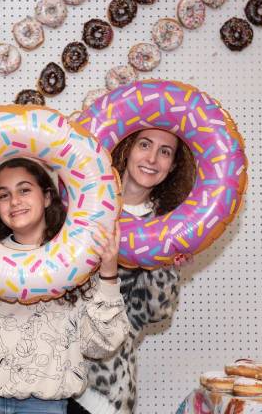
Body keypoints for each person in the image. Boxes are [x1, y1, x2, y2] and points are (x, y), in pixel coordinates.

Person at [0, 157, 130, 414]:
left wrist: (108, 272)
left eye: (24, 190)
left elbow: (100, 344)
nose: (14, 201)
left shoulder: (77, 260)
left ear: (46, 197)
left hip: (45, 406)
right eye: (4, 195)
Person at [68, 128, 196, 414]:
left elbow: (156, 314)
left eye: (165, 152)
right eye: (145, 145)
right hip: (50, 378)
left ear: (173, 165)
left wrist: (165, 262)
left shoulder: (167, 227)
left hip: (104, 389)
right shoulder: (84, 205)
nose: (152, 158)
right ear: (127, 148)